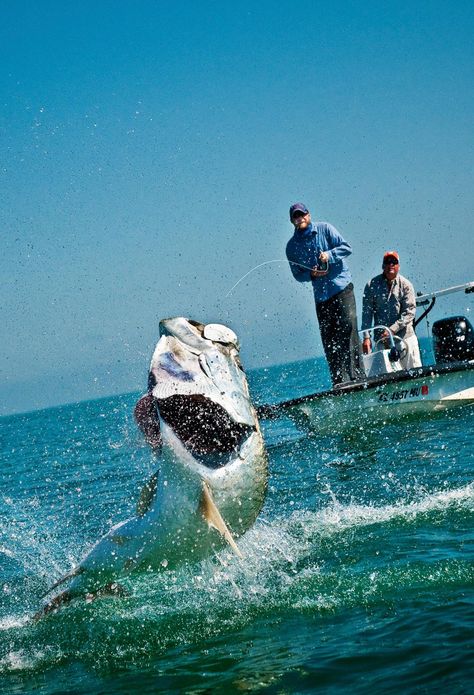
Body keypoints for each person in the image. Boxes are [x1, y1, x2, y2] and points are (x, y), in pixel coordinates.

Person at [286, 202, 363, 386]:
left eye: (302, 214)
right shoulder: (291, 247)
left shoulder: (325, 229)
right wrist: (310, 274)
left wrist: (329, 255)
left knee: (349, 329)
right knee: (329, 340)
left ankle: (358, 378)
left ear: (309, 215)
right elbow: (297, 274)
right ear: (292, 220)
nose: (300, 218)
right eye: (296, 216)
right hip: (321, 297)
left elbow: (347, 247)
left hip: (341, 288)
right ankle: (339, 382)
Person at [361, 251, 422, 370]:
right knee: (386, 376)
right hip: (382, 342)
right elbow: (367, 313)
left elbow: (410, 312)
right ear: (383, 266)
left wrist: (392, 330)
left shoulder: (406, 285)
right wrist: (366, 337)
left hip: (405, 339)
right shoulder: (371, 285)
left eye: (394, 262)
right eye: (388, 262)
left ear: (398, 266)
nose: (391, 265)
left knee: (415, 372)